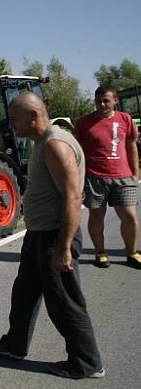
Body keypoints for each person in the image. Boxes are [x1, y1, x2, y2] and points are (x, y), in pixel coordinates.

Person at [0, 92, 105, 379]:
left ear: (33, 117)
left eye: (14, 120)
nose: (11, 125)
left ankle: (87, 363)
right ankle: (15, 345)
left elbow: (73, 199)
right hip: (38, 234)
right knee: (23, 294)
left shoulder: (55, 145)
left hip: (54, 236)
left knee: (64, 303)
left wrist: (63, 248)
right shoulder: (42, 142)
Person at [74, 85, 141, 268]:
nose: (102, 104)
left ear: (115, 101)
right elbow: (76, 152)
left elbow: (131, 146)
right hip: (94, 178)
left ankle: (132, 253)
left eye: (106, 101)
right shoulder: (83, 123)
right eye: (98, 101)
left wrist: (136, 172)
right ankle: (100, 252)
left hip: (123, 177)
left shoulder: (125, 119)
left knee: (129, 216)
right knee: (96, 216)